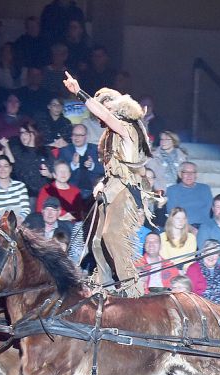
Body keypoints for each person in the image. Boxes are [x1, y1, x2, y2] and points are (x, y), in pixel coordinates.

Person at [63, 73, 154, 298]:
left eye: (101, 110)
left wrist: (79, 93)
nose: (99, 118)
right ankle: (102, 283)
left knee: (113, 235)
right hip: (112, 187)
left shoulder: (127, 126)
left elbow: (104, 113)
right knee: (97, 239)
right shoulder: (111, 133)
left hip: (127, 189)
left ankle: (131, 289)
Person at [57, 123, 103, 199]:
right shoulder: (64, 151)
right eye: (74, 135)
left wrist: (92, 166)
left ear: (86, 137)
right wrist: (73, 165)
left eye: (80, 135)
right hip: (72, 191)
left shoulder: (96, 150)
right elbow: (58, 173)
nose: (76, 138)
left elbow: (105, 170)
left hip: (94, 191)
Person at [165, 161, 212, 231]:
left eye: (192, 172)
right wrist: (190, 228)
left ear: (196, 175)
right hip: (182, 227)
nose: (189, 175)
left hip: (204, 227)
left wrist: (202, 230)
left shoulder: (205, 189)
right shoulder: (172, 190)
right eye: (185, 172)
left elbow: (208, 210)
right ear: (180, 174)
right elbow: (173, 214)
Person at [0, 157, 30, 222]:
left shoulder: (20, 186)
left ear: (10, 168)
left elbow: (26, 210)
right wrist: (4, 220)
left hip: (19, 223)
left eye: (6, 166)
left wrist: (20, 219)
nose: (3, 169)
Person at [186, 239, 220, 304]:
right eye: (209, 253)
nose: (211, 257)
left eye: (215, 253)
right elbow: (190, 294)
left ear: (218, 256)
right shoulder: (193, 269)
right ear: (203, 253)